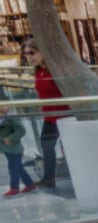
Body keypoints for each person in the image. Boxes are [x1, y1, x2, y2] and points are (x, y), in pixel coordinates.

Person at [22, 39, 67, 189]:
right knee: (47, 146)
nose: (29, 57)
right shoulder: (39, 72)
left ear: (42, 52)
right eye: (26, 54)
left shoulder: (54, 70)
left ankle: (51, 177)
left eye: (32, 53)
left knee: (58, 146)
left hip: (64, 115)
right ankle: (49, 178)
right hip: (50, 116)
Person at [1, 109, 35, 197]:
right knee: (18, 167)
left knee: (13, 168)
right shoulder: (3, 118)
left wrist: (10, 138)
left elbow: (21, 130)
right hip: (7, 148)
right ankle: (30, 185)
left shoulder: (11, 118)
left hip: (15, 149)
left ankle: (14, 189)